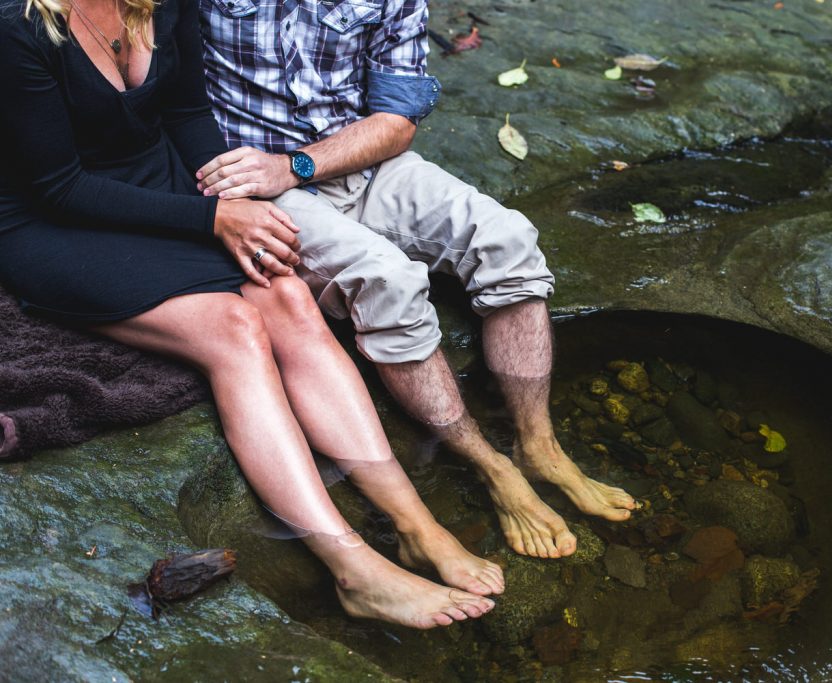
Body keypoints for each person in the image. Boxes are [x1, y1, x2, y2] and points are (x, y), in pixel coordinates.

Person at [0, 0, 503, 629]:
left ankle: (415, 526)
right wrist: (212, 219)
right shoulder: (17, 25)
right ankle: (353, 568)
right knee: (235, 330)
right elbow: (57, 185)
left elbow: (184, 110)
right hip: (52, 219)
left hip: (155, 182)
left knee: (288, 293)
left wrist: (231, 191)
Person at [195, 0, 637, 559]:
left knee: (507, 239)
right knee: (389, 281)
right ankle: (491, 466)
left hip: (358, 162)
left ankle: (537, 443)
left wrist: (299, 163)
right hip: (263, 188)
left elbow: (397, 121)